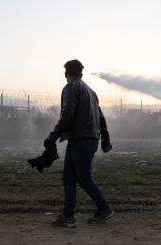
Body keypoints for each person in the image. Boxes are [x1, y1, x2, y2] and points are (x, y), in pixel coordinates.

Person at [45, 59, 113, 228]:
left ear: (65, 73)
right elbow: (101, 117)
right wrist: (105, 138)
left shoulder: (71, 88)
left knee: (83, 179)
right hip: (85, 139)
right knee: (69, 177)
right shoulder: (91, 91)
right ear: (81, 74)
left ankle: (104, 209)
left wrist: (52, 136)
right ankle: (68, 216)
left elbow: (67, 114)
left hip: (81, 139)